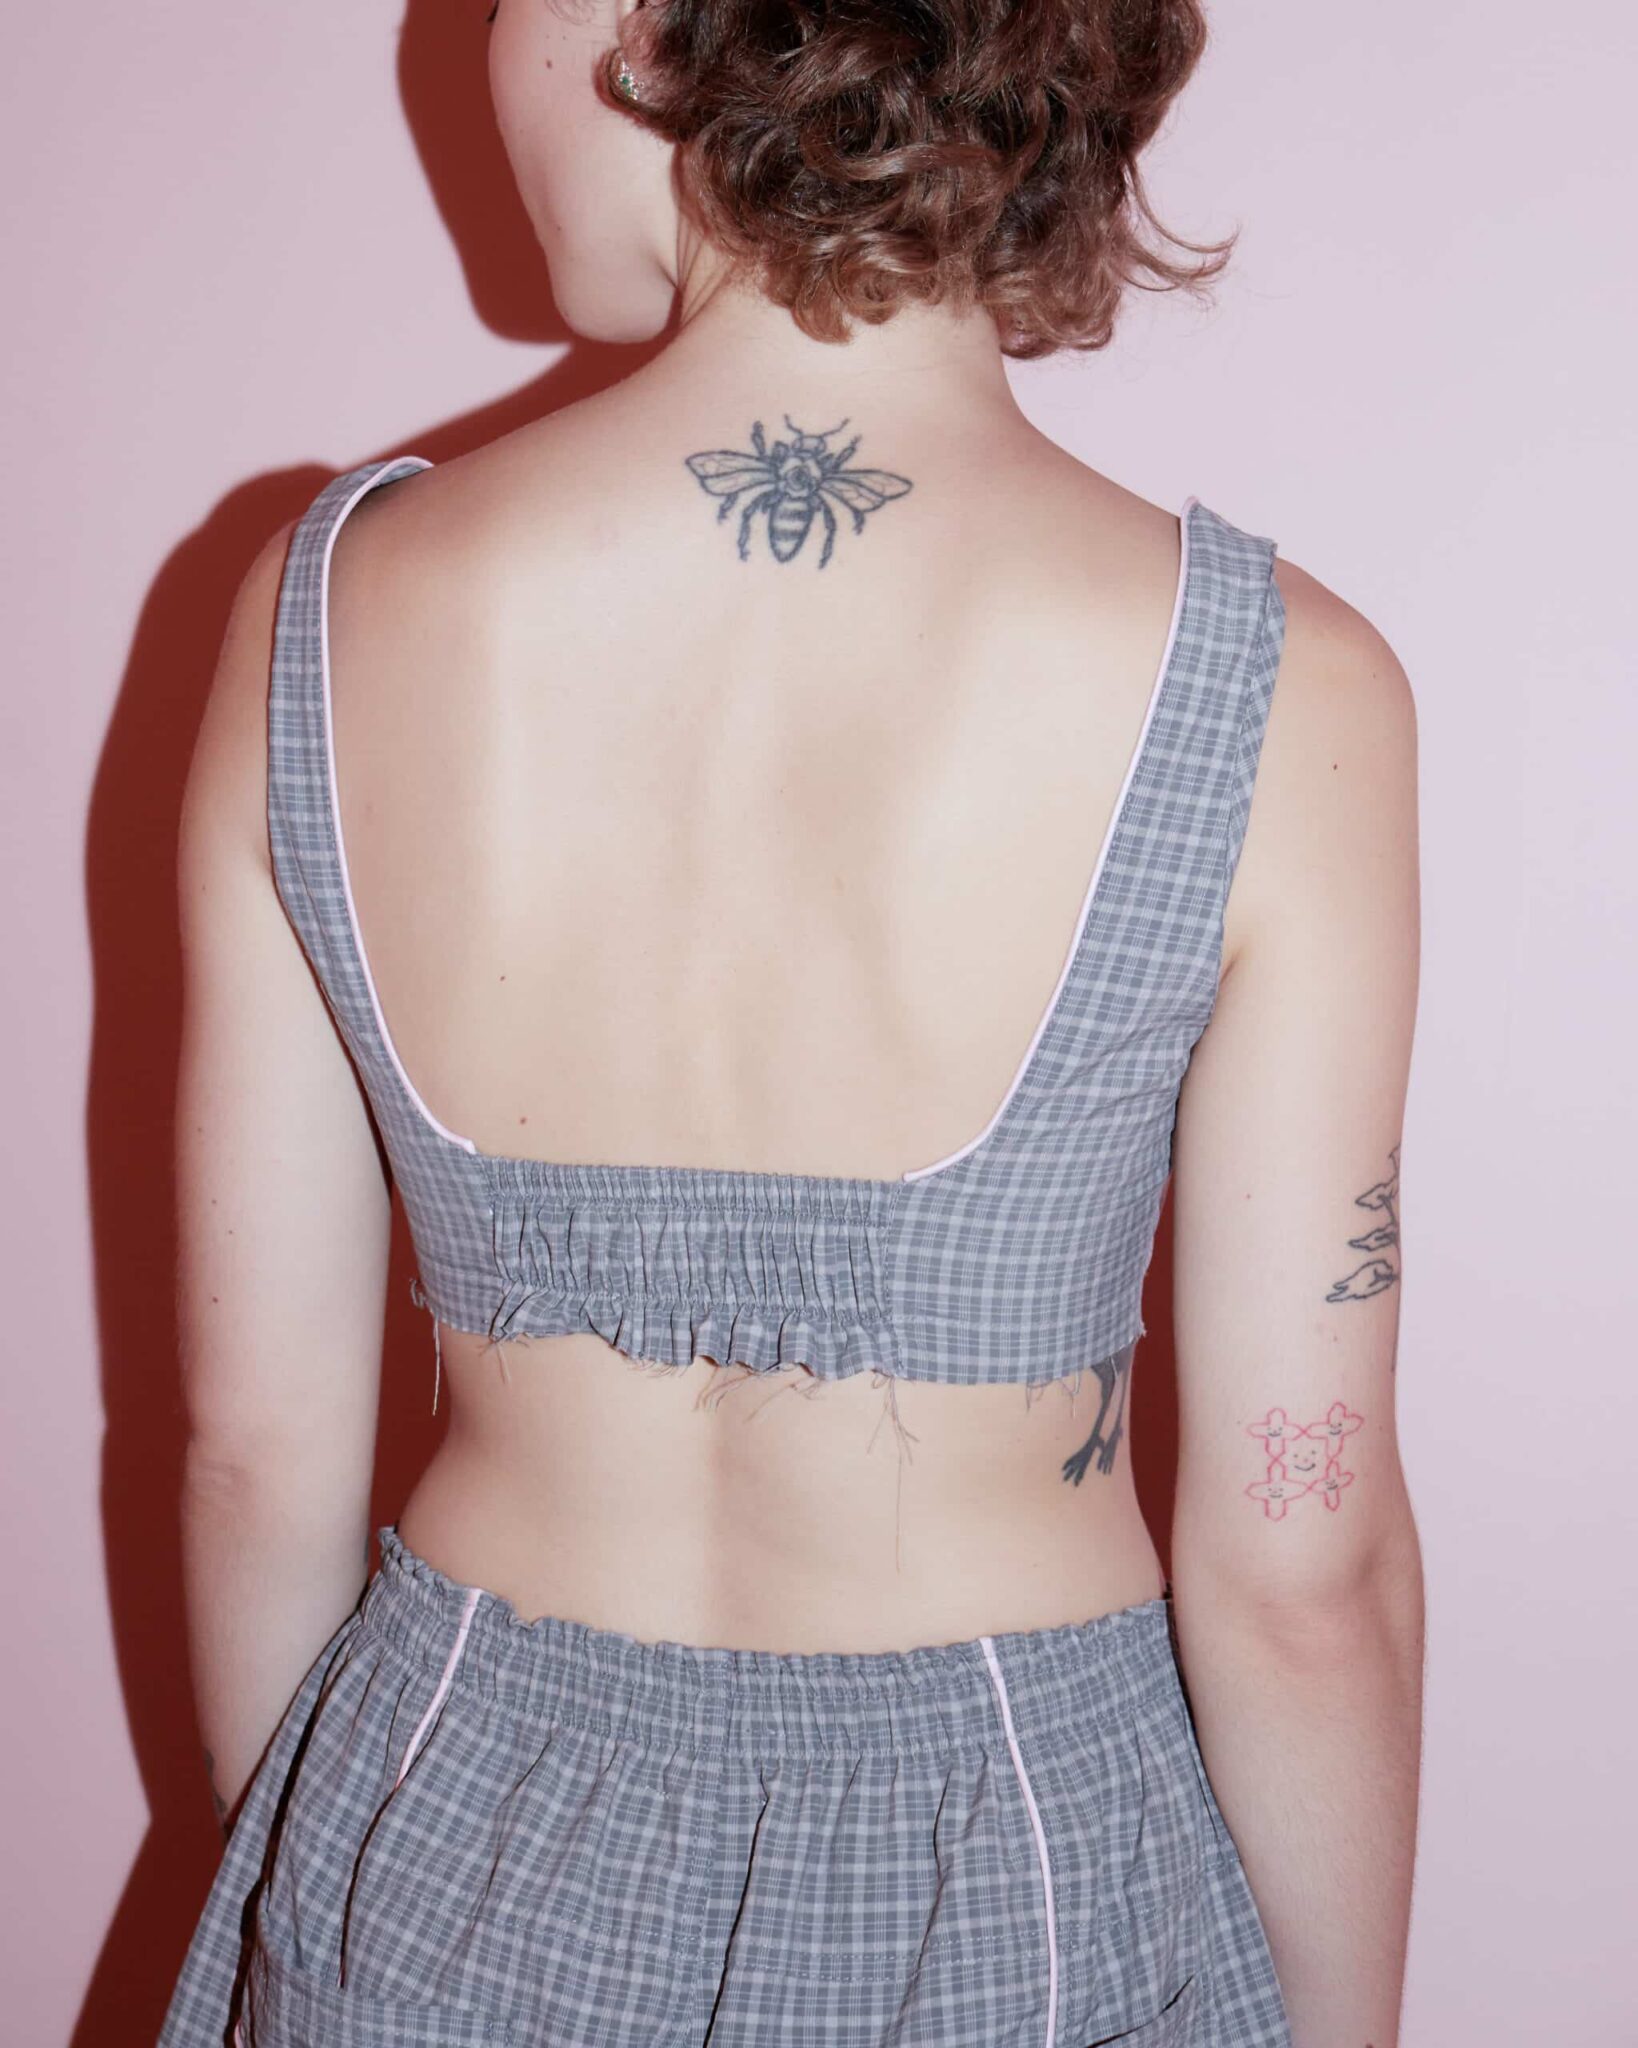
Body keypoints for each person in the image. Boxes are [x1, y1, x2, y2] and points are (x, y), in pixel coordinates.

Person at [157, 1, 1424, 2042]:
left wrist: (334, 1913)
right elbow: (1304, 1564)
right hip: (1015, 1867)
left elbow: (254, 1460)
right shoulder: (1280, 690)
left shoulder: (323, 611)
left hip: (447, 1808)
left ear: (659, 18)